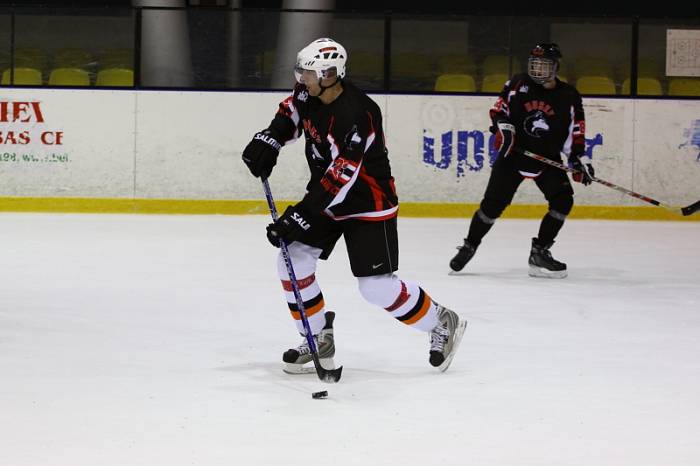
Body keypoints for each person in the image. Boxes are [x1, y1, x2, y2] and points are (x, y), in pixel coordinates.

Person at [242, 38, 467, 374]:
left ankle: (440, 321)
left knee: (375, 287)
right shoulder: (308, 92)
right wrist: (272, 137)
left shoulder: (359, 114)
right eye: (301, 72)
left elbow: (342, 175)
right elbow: (292, 111)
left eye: (308, 73)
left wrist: (301, 215)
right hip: (327, 198)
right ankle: (317, 337)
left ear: (329, 75)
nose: (302, 79)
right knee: (293, 260)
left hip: (367, 203)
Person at [449, 43, 593, 278]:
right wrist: (503, 127)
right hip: (513, 156)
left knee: (563, 201)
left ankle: (539, 253)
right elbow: (499, 111)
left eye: (544, 65)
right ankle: (469, 245)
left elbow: (575, 130)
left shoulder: (568, 96)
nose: (537, 70)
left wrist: (578, 158)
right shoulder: (518, 83)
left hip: (546, 159)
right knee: (492, 206)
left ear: (555, 67)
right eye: (534, 64)